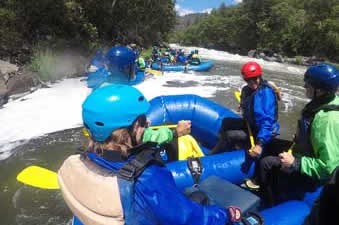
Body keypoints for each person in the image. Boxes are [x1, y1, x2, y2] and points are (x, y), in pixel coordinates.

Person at [71, 84, 252, 225]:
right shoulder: (146, 177)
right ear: (131, 127)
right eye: (142, 120)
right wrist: (226, 215)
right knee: (200, 198)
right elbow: (191, 219)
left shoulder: (85, 159)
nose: (148, 122)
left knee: (194, 198)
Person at [258, 63, 339, 208]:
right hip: (306, 153)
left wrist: (296, 163)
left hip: (313, 173)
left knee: (266, 164)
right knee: (270, 145)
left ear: (319, 90)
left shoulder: (326, 120)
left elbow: (328, 167)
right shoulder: (326, 101)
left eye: (307, 85)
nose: (304, 87)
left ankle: (270, 205)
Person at [209, 62, 280, 189]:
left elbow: (267, 121)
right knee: (226, 122)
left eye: (255, 79)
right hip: (251, 124)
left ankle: (214, 157)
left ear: (260, 76)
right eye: (248, 80)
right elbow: (246, 102)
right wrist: (242, 105)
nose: (252, 82)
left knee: (230, 135)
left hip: (265, 131)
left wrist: (260, 144)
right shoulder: (246, 89)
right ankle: (225, 148)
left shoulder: (266, 94)